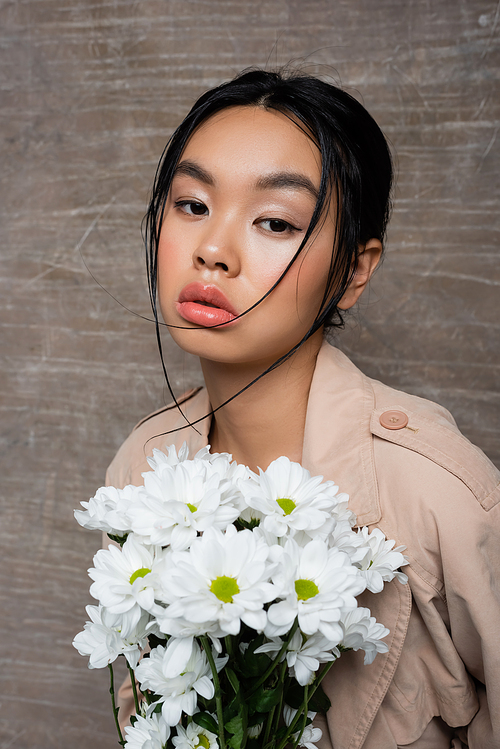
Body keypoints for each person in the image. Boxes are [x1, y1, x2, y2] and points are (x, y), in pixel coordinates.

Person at [105, 69, 500, 748]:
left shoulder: (442, 495)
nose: (213, 251)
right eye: (192, 204)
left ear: (353, 271)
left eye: (275, 221)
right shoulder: (140, 468)